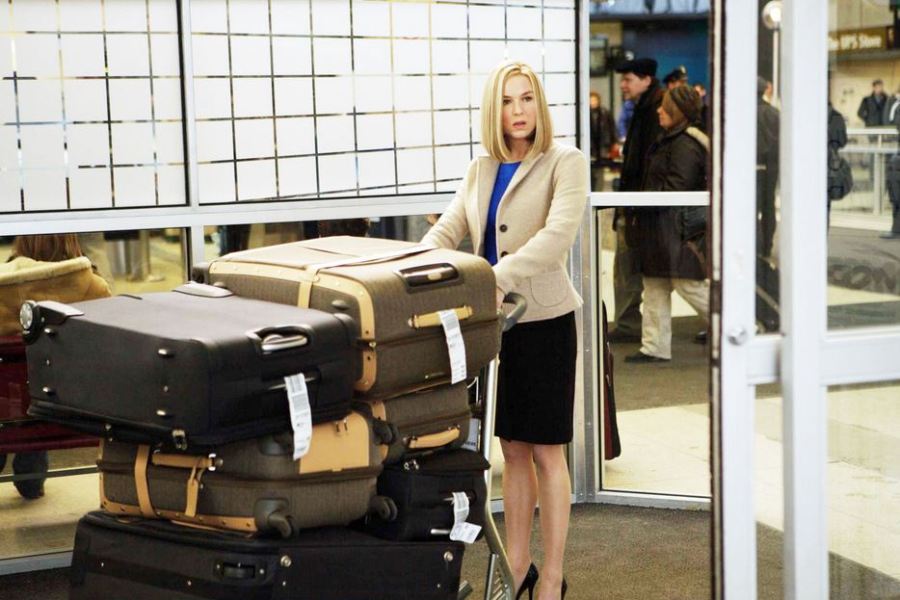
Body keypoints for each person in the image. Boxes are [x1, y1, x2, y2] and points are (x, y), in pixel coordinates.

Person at [422, 60, 586, 600]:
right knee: (511, 450)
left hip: (544, 323)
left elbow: (556, 237)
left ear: (540, 105)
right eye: (508, 101)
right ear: (494, 111)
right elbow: (449, 228)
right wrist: (411, 268)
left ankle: (553, 576)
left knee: (546, 452)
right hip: (497, 326)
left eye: (527, 99)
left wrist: (493, 276)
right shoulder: (482, 167)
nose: (518, 111)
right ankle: (518, 568)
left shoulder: (565, 162)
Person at [1, 234, 111, 499]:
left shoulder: (5, 288)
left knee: (19, 380)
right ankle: (31, 476)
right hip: (71, 403)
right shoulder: (91, 286)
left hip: (10, 406)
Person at [624, 86, 710, 363]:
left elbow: (677, 187)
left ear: (679, 111)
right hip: (664, 228)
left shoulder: (684, 144)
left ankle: (740, 324)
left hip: (675, 229)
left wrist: (643, 203)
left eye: (666, 107)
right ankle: (654, 346)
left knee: (688, 285)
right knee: (655, 285)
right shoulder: (674, 140)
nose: (659, 110)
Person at [609, 57, 665, 342]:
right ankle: (630, 324)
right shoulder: (642, 107)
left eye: (628, 79)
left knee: (630, 266)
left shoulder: (655, 111)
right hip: (636, 203)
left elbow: (650, 164)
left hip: (641, 206)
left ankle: (630, 325)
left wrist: (636, 206)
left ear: (646, 79)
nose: (623, 85)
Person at [589, 91, 618, 190]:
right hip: (591, 146)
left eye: (594, 100)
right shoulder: (585, 114)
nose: (593, 102)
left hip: (602, 146)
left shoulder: (605, 113)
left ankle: (598, 191)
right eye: (591, 100)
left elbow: (611, 128)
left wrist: (614, 142)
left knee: (600, 170)